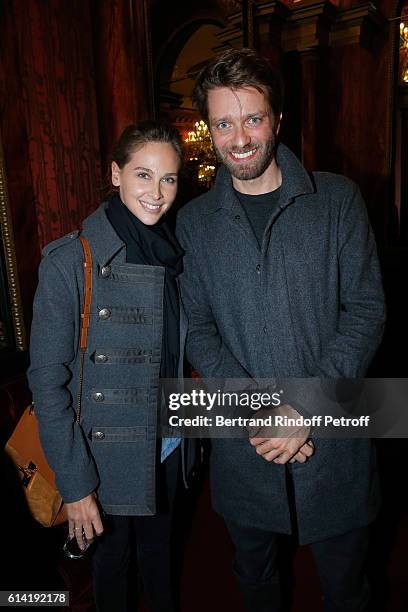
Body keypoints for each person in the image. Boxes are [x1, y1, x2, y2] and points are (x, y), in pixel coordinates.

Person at [176, 48, 386, 612]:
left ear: (278, 120)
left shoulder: (338, 200)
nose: (238, 137)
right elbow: (197, 327)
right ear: (209, 131)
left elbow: (365, 310)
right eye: (223, 122)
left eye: (252, 118)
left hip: (334, 435)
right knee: (255, 581)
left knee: (346, 588)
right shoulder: (194, 223)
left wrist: (304, 409)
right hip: (245, 443)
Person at [28, 121, 193, 612]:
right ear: (115, 174)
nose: (157, 193)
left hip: (166, 443)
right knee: (113, 570)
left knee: (162, 560)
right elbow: (47, 382)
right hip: (102, 457)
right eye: (144, 175)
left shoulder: (174, 255)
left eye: (169, 179)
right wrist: (76, 483)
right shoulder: (68, 262)